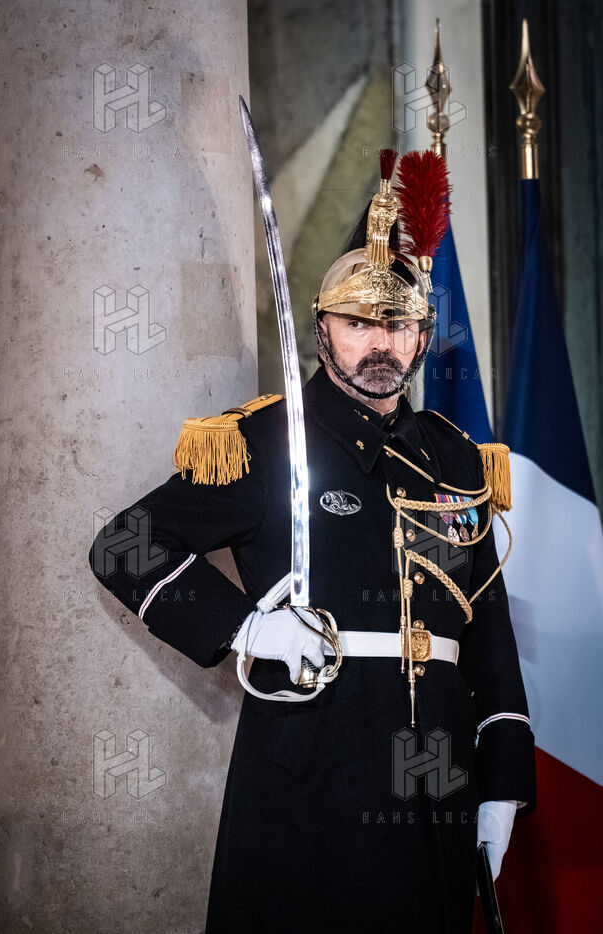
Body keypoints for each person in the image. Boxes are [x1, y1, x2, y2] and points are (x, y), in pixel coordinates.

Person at [89, 150, 536, 933]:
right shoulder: (263, 441)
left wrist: (500, 781)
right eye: (358, 323)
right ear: (322, 327)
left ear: (422, 335)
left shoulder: (456, 457)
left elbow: (487, 631)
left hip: (434, 779)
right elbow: (125, 544)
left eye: (396, 325)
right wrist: (245, 628)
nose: (378, 343)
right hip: (310, 765)